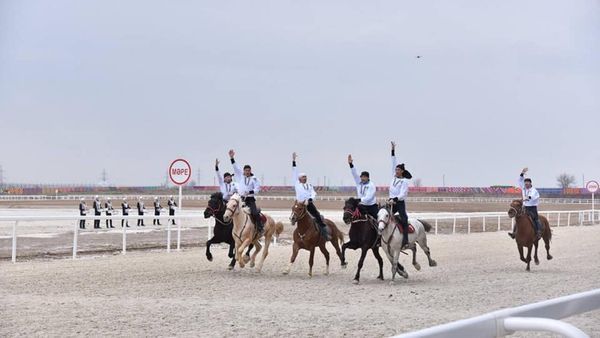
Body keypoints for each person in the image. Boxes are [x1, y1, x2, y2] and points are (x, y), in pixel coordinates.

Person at [292, 152, 329, 239]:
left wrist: (310, 199)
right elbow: (294, 172)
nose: (305, 178)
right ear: (299, 178)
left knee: (317, 215)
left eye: (305, 177)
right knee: (294, 213)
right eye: (303, 177)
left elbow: (313, 193)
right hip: (299, 204)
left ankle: (324, 233)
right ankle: (293, 220)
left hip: (308, 204)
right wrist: (294, 161)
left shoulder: (309, 185)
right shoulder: (297, 183)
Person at [229, 149, 263, 233]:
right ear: (244, 171)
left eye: (248, 170)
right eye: (246, 170)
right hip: (241, 199)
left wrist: (250, 192)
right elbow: (235, 167)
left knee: (254, 213)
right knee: (232, 211)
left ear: (250, 171)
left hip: (250, 200)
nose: (247, 172)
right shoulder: (240, 176)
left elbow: (257, 189)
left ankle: (259, 227)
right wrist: (232, 158)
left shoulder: (254, 179)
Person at [389, 141, 413, 249]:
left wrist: (396, 198)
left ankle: (406, 241)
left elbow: (403, 194)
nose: (396, 170)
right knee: (382, 215)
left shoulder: (404, 182)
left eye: (398, 170)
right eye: (396, 169)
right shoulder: (393, 177)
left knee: (404, 219)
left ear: (402, 171)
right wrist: (393, 150)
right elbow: (393, 162)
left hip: (399, 203)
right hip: (391, 202)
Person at [509, 167, 542, 240]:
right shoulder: (523, 187)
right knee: (518, 218)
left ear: (530, 183)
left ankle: (538, 232)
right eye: (525, 183)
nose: (526, 185)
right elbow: (520, 180)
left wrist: (525, 198)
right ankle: (514, 233)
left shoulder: (534, 190)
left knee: (536, 219)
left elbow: (531, 197)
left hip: (532, 208)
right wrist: (522, 173)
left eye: (527, 183)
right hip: (525, 207)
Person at [347, 154, 378, 220]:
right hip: (361, 205)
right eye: (361, 177)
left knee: (377, 219)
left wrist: (360, 199)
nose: (362, 178)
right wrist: (351, 164)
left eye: (364, 177)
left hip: (371, 206)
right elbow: (354, 174)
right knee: (354, 217)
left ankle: (378, 230)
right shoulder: (359, 182)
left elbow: (369, 197)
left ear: (368, 178)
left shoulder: (371, 185)